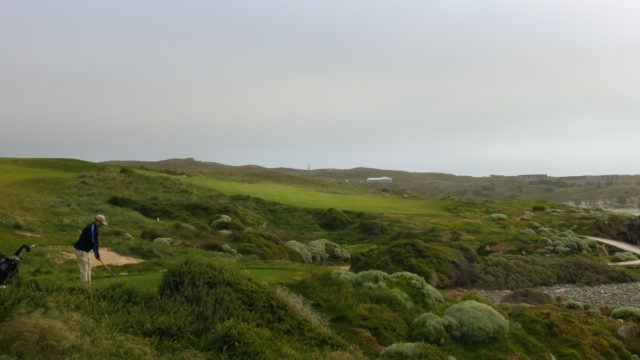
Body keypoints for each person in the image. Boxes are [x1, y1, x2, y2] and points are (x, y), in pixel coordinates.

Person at [74, 215, 107, 283]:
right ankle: (85, 288)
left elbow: (94, 242)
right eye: (101, 223)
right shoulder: (91, 229)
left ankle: (89, 286)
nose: (102, 225)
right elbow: (94, 243)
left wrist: (97, 254)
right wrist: (97, 255)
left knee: (89, 268)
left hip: (85, 250)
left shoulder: (94, 227)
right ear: (97, 221)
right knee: (84, 269)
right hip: (81, 250)